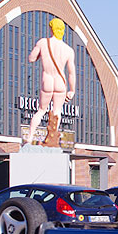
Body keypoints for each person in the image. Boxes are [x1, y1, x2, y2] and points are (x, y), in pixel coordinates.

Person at [26, 17, 76, 146]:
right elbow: (71, 72)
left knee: (41, 110)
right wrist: (72, 90)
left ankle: (29, 137)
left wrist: (40, 55)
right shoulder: (68, 50)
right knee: (57, 111)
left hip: (47, 79)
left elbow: (31, 58)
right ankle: (52, 136)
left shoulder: (43, 42)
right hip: (61, 82)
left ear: (51, 29)